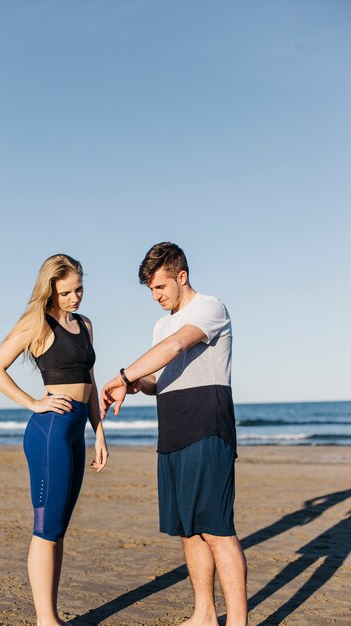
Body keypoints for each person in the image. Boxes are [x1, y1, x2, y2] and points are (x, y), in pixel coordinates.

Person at [100, 242, 247, 626]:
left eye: (160, 287)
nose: (155, 296)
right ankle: (204, 614)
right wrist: (136, 385)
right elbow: (158, 376)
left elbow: (177, 344)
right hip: (173, 432)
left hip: (207, 427)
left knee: (217, 529)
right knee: (189, 530)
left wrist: (124, 375)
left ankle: (238, 621)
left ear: (181, 276)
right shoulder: (160, 323)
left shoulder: (210, 307)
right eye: (150, 289)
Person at [0, 253, 108, 626]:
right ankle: (46, 621)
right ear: (50, 290)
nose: (75, 298)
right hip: (50, 431)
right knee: (46, 529)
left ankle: (50, 616)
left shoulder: (85, 324)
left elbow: (90, 381)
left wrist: (99, 432)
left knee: (58, 530)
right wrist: (34, 403)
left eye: (79, 289)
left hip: (75, 432)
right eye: (67, 292)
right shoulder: (36, 322)